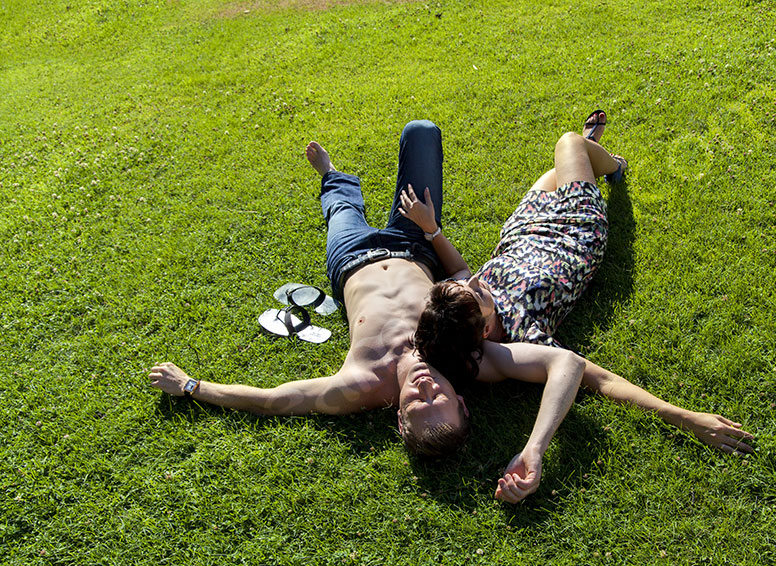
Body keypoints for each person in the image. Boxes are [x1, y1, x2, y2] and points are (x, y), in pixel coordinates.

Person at [149, 120, 586, 459]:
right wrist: (431, 231)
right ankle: (353, 189)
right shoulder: (466, 359)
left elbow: (273, 401)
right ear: (460, 399)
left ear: (400, 417)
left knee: (340, 208)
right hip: (415, 240)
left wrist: (191, 386)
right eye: (441, 397)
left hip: (351, 258)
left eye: (418, 404)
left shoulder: (359, 386)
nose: (425, 388)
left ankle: (334, 177)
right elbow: (561, 362)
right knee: (422, 132)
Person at [402, 111, 755, 503]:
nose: (473, 281)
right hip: (574, 231)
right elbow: (596, 377)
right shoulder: (511, 346)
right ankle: (613, 165)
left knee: (564, 163)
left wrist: (431, 230)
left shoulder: (449, 323)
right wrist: (685, 418)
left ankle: (592, 153)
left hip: (525, 228)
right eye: (478, 294)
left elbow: (463, 270)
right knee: (569, 144)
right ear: (485, 331)